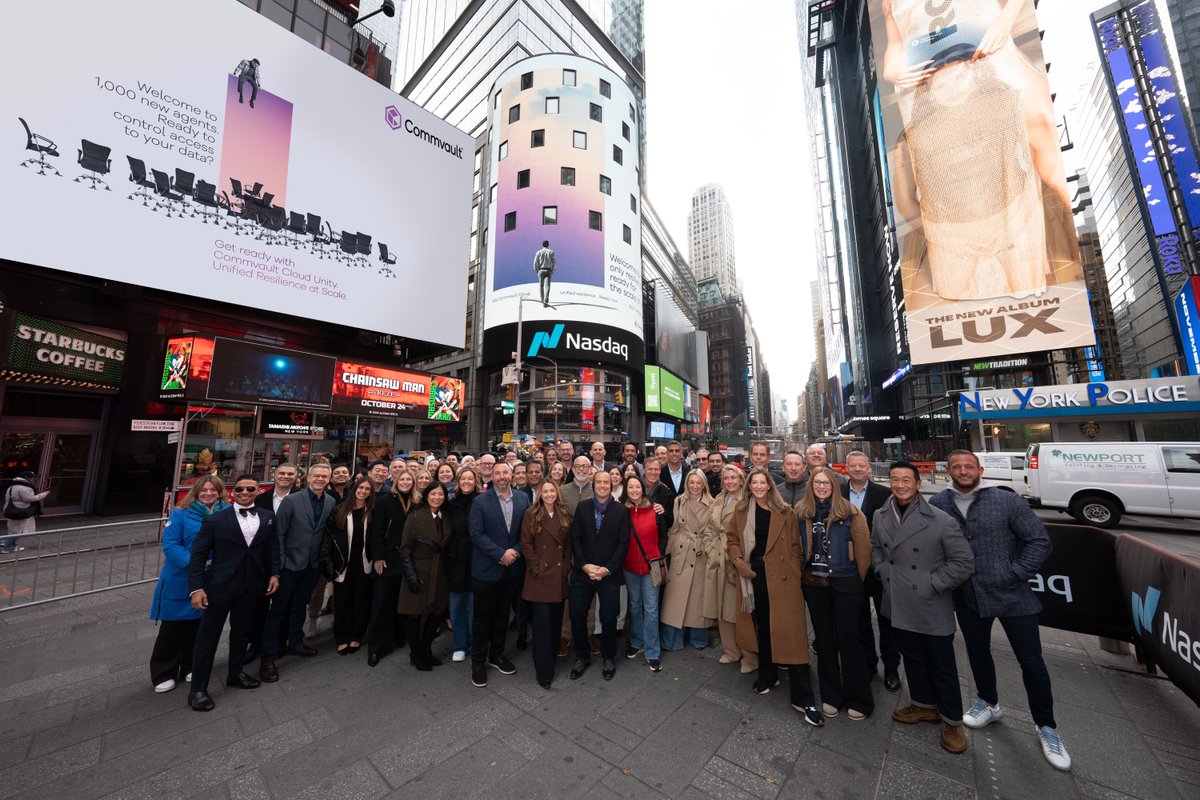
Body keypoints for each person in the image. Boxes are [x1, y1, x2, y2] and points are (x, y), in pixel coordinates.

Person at [931, 450, 1070, 770]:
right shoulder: (939, 503)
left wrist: (1015, 572)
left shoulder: (1006, 500)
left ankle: (1046, 727)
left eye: (969, 466)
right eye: (956, 467)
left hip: (1012, 596)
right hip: (968, 596)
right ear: (948, 470)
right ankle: (988, 702)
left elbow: (1039, 541)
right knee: (978, 653)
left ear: (979, 469)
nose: (963, 471)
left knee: (1031, 661)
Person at [872, 461, 976, 754]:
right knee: (913, 658)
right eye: (895, 479)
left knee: (942, 664)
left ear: (918, 484)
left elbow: (964, 563)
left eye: (906, 479)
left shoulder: (941, 520)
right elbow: (876, 549)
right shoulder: (881, 515)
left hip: (929, 603)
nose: (900, 485)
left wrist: (933, 584)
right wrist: (883, 572)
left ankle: (952, 720)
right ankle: (923, 704)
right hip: (897, 599)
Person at [727, 468, 822, 726]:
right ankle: (768, 675)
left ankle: (803, 696)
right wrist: (738, 561)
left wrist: (792, 568)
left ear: (770, 486)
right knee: (765, 627)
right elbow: (732, 539)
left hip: (782, 578)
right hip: (754, 576)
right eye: (754, 483)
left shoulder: (786, 512)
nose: (758, 486)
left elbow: (796, 547)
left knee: (791, 634)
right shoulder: (741, 511)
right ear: (749, 487)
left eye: (763, 483)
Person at [186, 474, 280, 712]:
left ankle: (236, 673)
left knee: (241, 634)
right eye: (240, 489)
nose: (245, 492)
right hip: (219, 587)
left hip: (251, 587)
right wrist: (196, 588)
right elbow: (198, 556)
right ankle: (198, 688)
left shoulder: (268, 518)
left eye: (250, 488)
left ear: (258, 491)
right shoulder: (216, 520)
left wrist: (274, 574)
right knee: (208, 638)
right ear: (232, 492)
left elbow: (272, 549)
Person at [798, 466, 873, 721]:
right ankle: (831, 695)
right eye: (816, 482)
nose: (821, 486)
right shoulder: (802, 512)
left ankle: (859, 698)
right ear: (811, 486)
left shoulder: (851, 513)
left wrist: (854, 580)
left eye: (825, 482)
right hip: (814, 583)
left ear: (834, 485)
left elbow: (864, 552)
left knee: (849, 638)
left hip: (846, 582)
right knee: (824, 640)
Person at [259, 464, 335, 683]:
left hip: (311, 565)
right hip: (289, 565)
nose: (320, 479)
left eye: (324, 476)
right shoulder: (291, 501)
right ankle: (268, 658)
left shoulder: (329, 501)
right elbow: (279, 534)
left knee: (300, 605)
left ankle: (295, 641)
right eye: (316, 475)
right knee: (278, 611)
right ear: (308, 477)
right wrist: (279, 565)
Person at [149, 476, 224, 693]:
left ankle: (191, 665)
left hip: (211, 579)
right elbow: (171, 545)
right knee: (173, 627)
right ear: (196, 492)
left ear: (219, 492)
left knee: (199, 626)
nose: (208, 493)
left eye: (213, 490)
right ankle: (164, 671)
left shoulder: (225, 512)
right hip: (181, 578)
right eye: (204, 490)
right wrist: (196, 565)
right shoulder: (180, 514)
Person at [841, 450, 901, 693]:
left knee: (887, 620)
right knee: (859, 620)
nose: (857, 469)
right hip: (850, 568)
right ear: (846, 469)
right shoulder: (838, 493)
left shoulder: (885, 494)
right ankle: (868, 663)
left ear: (869, 469)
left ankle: (891, 667)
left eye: (861, 466)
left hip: (879, 566)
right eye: (852, 466)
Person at [468, 462, 530, 687]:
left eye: (505, 472)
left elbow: (527, 531)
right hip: (486, 570)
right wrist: (500, 554)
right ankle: (477, 662)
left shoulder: (523, 499)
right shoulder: (480, 501)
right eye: (497, 473)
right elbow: (476, 534)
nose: (502, 476)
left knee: (503, 615)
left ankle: (496, 655)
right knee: (482, 618)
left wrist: (515, 552)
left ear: (511, 475)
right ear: (491, 476)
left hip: (512, 568)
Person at [568, 470, 630, 681]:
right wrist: (584, 566)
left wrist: (608, 569)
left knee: (608, 617)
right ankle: (582, 656)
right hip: (583, 573)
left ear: (611, 485)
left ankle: (608, 657)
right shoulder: (583, 507)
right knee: (577, 614)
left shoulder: (621, 510)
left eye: (606, 482)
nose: (603, 486)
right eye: (599, 482)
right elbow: (575, 538)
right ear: (593, 485)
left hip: (609, 574)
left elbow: (623, 543)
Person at [520, 480, 573, 689]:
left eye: (552, 491)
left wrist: (565, 567)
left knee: (554, 624)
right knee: (542, 628)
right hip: (540, 578)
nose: (549, 494)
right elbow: (526, 543)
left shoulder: (564, 513)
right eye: (545, 491)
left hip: (558, 577)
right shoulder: (531, 514)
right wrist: (536, 568)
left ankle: (550, 661)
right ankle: (543, 671)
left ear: (557, 493)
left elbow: (568, 545)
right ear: (540, 494)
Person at [365, 470, 419, 666]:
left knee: (402, 602)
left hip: (408, 560)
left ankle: (398, 637)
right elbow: (377, 531)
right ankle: (376, 647)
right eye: (402, 479)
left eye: (409, 479)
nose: (405, 482)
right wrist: (378, 558)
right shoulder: (386, 500)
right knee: (381, 605)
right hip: (388, 560)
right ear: (396, 481)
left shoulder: (417, 501)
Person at [703, 465, 754, 672]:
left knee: (741, 610)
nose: (730, 481)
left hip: (736, 558)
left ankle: (750, 656)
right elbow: (708, 528)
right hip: (717, 559)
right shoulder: (719, 499)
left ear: (742, 480)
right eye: (726, 478)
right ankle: (731, 651)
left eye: (734, 477)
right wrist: (711, 549)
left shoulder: (748, 500)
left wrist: (737, 558)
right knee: (721, 606)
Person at [319, 477, 374, 656]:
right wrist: (328, 565)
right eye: (361, 487)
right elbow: (328, 539)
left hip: (364, 564)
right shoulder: (340, 510)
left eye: (367, 489)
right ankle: (341, 637)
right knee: (342, 602)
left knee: (360, 602)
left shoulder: (372, 511)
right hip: (342, 565)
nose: (363, 491)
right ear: (354, 488)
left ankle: (356, 635)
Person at [399, 483, 450, 670]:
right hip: (419, 570)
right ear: (426, 495)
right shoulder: (415, 516)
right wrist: (411, 576)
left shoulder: (445, 516)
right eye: (433, 494)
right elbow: (405, 548)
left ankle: (427, 649)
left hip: (439, 571)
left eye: (441, 494)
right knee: (414, 614)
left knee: (437, 612)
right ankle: (416, 653)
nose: (437, 497)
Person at [661, 470, 713, 652]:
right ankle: (672, 640)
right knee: (674, 600)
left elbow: (712, 532)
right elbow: (674, 528)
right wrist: (665, 553)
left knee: (698, 601)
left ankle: (699, 639)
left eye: (699, 483)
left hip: (701, 553)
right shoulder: (679, 501)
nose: (695, 486)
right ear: (687, 483)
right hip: (681, 553)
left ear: (704, 484)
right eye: (692, 482)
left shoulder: (712, 504)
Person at [622, 476, 667, 671]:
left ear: (643, 489)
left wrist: (659, 553)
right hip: (629, 566)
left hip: (651, 566)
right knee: (634, 606)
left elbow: (664, 534)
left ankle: (652, 651)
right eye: (630, 487)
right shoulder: (621, 511)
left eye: (637, 486)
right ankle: (636, 641)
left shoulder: (655, 509)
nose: (634, 490)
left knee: (651, 609)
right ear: (626, 489)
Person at [445, 466, 481, 662]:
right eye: (463, 479)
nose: (466, 482)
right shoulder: (451, 503)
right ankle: (460, 644)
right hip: (456, 558)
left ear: (475, 481)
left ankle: (475, 642)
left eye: (470, 478)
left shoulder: (482, 501)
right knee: (457, 603)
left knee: (474, 605)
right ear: (458, 481)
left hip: (476, 556)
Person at [2, 470, 49, 554]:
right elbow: (29, 499)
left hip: (11, 509)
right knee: (15, 530)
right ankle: (9, 547)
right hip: (20, 510)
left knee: (13, 528)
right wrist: (43, 495)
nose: (33, 479)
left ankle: (11, 545)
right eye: (32, 477)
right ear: (27, 478)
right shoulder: (25, 487)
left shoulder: (12, 486)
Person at [641, 457, 675, 532]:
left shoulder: (667, 493)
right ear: (644, 470)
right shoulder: (634, 488)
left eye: (656, 469)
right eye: (650, 469)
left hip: (657, 536)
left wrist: (664, 511)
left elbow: (671, 521)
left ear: (660, 471)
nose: (653, 472)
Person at [534, 239, 556, 306]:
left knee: (541, 285)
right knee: (547, 285)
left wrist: (536, 270)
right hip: (548, 270)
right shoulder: (551, 252)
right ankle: (546, 298)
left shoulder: (539, 252)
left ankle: (542, 299)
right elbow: (554, 262)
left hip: (541, 270)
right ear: (548, 245)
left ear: (542, 245)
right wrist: (553, 270)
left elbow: (535, 262)